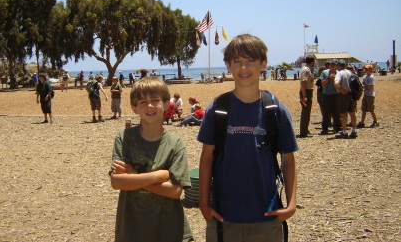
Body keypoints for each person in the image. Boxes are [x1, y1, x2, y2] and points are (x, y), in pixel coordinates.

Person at [198, 34, 298, 242]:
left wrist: (291, 205)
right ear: (228, 66)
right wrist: (204, 205)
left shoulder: (275, 109)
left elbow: (288, 159)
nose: (244, 68)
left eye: (251, 60)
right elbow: (206, 158)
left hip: (267, 217)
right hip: (224, 217)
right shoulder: (217, 109)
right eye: (237, 62)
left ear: (263, 64)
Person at [109, 76, 194, 242]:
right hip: (132, 228)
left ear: (165, 104)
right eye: (142, 102)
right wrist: (157, 176)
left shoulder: (175, 144)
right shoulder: (124, 137)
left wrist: (133, 176)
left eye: (155, 100)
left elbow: (175, 191)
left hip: (169, 230)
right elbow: (117, 182)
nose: (149, 106)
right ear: (134, 108)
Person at [334, 60, 358, 138]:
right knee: (352, 113)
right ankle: (354, 130)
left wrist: (341, 90)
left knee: (343, 114)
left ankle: (344, 132)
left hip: (343, 95)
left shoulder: (339, 73)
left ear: (339, 66)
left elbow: (336, 83)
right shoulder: (350, 72)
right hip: (351, 94)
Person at [319, 59, 341, 134]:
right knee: (326, 112)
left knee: (336, 112)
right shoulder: (324, 72)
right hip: (326, 95)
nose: (332, 65)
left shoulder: (339, 73)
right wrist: (328, 78)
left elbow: (340, 84)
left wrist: (335, 79)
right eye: (331, 64)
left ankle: (337, 127)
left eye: (334, 64)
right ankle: (325, 128)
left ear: (336, 65)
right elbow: (322, 84)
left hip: (336, 94)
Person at [299, 55, 315, 137]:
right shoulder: (306, 70)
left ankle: (305, 129)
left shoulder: (308, 69)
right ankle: (303, 132)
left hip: (307, 92)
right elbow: (303, 83)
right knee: (305, 112)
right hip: (306, 92)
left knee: (307, 112)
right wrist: (304, 96)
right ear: (312, 62)